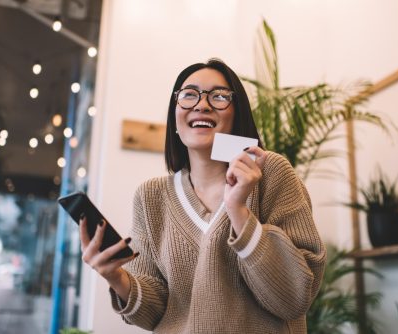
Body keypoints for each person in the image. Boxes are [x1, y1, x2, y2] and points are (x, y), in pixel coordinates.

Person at [79, 58, 326, 333]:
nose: (202, 104)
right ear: (175, 115)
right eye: (189, 95)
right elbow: (157, 313)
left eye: (219, 96)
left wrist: (239, 212)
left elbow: (294, 298)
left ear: (237, 115)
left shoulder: (272, 174)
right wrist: (116, 277)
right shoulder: (151, 197)